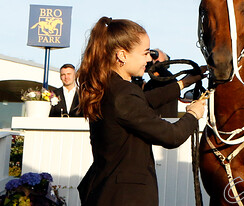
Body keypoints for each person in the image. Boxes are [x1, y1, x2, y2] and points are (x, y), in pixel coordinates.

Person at [76, 17, 206, 206]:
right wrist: (193, 114)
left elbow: (145, 101)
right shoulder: (124, 94)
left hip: (105, 191)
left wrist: (184, 83)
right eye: (145, 53)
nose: (148, 59)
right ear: (122, 55)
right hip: (126, 197)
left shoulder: (110, 87)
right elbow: (172, 136)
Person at [142, 49, 178, 118]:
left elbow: (173, 83)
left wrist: (157, 66)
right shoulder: (148, 85)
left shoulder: (170, 83)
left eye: (158, 62)